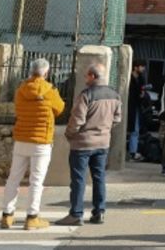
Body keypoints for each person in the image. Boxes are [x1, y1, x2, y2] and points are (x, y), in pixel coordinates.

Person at [0, 57, 65, 230]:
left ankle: (7, 215)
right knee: (36, 180)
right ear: (46, 72)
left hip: (22, 138)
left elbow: (18, 108)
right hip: (41, 140)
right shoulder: (50, 90)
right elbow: (60, 108)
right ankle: (32, 217)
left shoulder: (21, 90)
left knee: (13, 177)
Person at [59, 61, 122, 227]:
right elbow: (117, 119)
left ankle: (76, 214)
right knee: (99, 178)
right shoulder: (115, 95)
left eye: (87, 75)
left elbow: (77, 120)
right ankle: (99, 212)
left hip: (82, 143)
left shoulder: (86, 95)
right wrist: (104, 129)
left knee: (78, 180)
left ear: (93, 76)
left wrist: (69, 134)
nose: (85, 77)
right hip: (102, 143)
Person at [127, 66, 146, 161]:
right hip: (129, 106)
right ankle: (132, 152)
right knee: (133, 130)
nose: (143, 69)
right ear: (135, 67)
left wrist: (142, 95)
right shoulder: (129, 77)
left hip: (136, 107)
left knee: (135, 130)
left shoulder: (141, 78)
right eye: (142, 66)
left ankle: (133, 152)